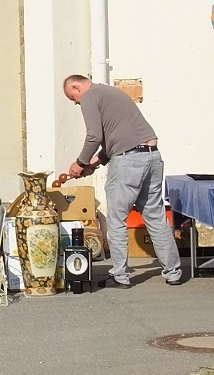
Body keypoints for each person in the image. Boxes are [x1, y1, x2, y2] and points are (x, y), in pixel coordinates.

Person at [63, 74, 182, 288]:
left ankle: (120, 276)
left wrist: (80, 163)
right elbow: (118, 137)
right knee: (155, 216)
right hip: (152, 156)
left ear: (76, 86)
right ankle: (173, 272)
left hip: (128, 161)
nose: (76, 102)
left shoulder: (90, 96)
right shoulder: (112, 93)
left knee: (117, 218)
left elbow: (94, 136)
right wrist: (96, 162)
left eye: (73, 97)